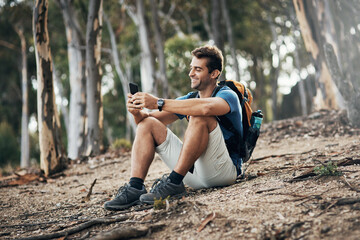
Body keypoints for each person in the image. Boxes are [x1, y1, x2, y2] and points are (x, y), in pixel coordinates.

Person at [104, 45, 243, 211]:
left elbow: (206, 108)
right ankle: (135, 187)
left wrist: (158, 103)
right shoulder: (190, 98)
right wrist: (136, 112)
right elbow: (146, 122)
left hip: (223, 172)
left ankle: (174, 182)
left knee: (199, 115)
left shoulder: (228, 94)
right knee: (147, 124)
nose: (191, 73)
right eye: (191, 68)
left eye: (198, 69)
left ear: (214, 74)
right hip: (194, 175)